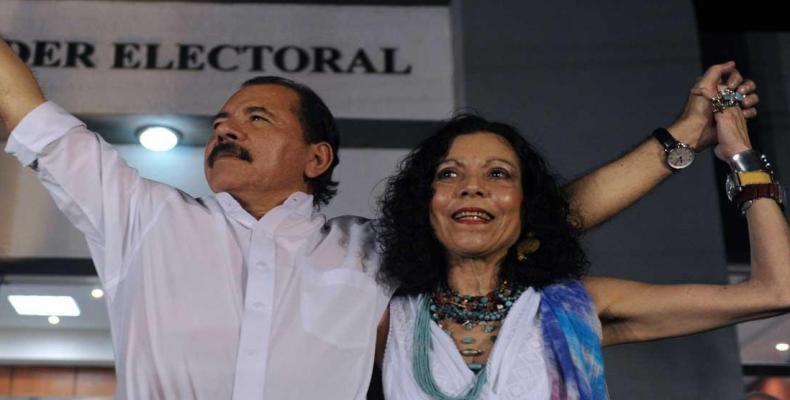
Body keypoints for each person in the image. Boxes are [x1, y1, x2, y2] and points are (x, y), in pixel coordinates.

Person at [0, 33, 758, 399]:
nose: (226, 126)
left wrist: (684, 137)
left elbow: (534, 216)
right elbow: (21, 104)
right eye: (223, 118)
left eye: (257, 116)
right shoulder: (140, 216)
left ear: (317, 157)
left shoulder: (376, 255)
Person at [374, 96, 788, 398]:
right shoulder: (388, 318)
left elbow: (777, 291)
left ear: (526, 206)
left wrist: (742, 159)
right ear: (423, 204)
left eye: (498, 174)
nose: (472, 187)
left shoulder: (571, 306)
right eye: (449, 173)